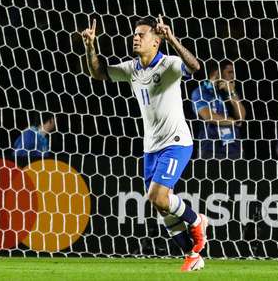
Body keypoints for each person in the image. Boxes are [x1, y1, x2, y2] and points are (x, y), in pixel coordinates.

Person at [81, 15, 207, 271]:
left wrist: (172, 37)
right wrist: (90, 46)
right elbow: (99, 73)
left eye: (142, 34)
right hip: (151, 147)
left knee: (158, 196)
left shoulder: (170, 64)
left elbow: (195, 67)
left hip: (177, 142)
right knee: (160, 206)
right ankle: (192, 255)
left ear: (156, 42)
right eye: (135, 34)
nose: (135, 38)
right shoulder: (131, 69)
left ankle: (197, 221)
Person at [191, 60, 246, 159]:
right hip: (210, 149)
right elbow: (209, 117)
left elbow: (241, 116)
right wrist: (234, 121)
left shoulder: (230, 91)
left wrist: (231, 92)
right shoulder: (200, 92)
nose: (233, 76)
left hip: (234, 149)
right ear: (216, 72)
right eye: (229, 72)